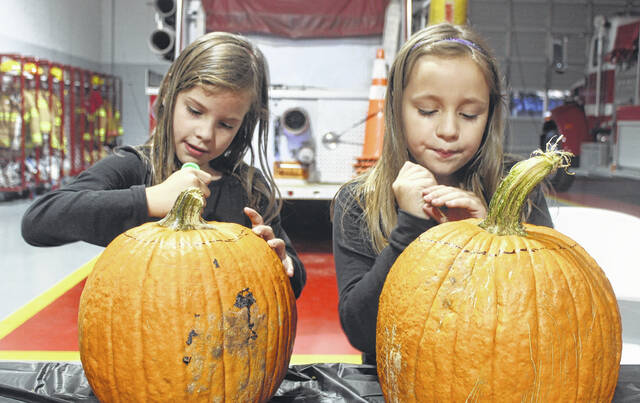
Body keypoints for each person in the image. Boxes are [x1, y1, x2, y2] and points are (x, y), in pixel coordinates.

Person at [21, 32, 306, 298]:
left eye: (226, 124)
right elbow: (39, 221)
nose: (205, 134)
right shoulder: (134, 167)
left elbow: (294, 281)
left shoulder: (249, 187)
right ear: (169, 93)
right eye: (194, 111)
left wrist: (280, 264)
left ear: (243, 125)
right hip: (144, 337)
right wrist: (148, 199)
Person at [332, 23, 553, 364]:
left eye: (469, 114)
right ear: (396, 109)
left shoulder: (518, 192)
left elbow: (550, 313)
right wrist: (410, 227)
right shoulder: (359, 201)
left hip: (497, 377)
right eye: (427, 111)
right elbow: (362, 331)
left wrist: (491, 240)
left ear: (490, 115)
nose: (448, 130)